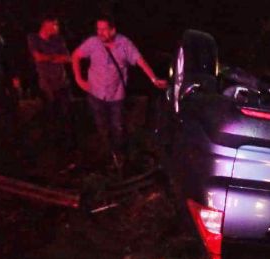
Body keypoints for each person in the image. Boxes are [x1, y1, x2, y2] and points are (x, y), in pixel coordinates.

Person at [72, 18, 167, 173]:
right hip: (95, 93)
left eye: (104, 29)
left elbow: (139, 60)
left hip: (116, 95)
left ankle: (119, 156)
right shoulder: (93, 43)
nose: (100, 33)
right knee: (102, 126)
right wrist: (78, 79)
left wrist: (153, 78)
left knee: (117, 126)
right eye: (98, 29)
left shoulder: (124, 44)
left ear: (113, 30)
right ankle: (108, 156)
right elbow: (76, 55)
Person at [27, 16, 74, 151]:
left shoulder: (58, 40)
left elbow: (68, 58)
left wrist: (48, 57)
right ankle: (53, 147)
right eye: (55, 24)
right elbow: (37, 57)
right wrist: (55, 57)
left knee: (67, 116)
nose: (57, 27)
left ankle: (69, 147)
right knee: (52, 116)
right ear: (46, 24)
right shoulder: (33, 38)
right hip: (46, 84)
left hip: (62, 82)